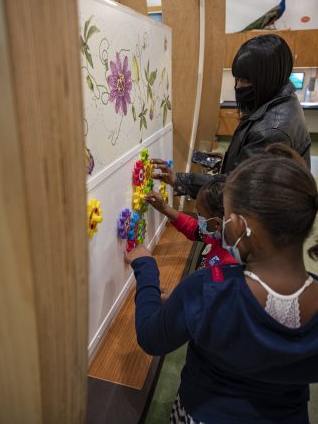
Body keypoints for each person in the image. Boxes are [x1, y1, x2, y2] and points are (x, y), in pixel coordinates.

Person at [125, 151, 318, 423]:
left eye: (224, 216)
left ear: (239, 225)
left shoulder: (209, 288)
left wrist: (147, 269)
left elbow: (151, 337)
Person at [153, 34, 311, 198]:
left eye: (245, 81)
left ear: (266, 79)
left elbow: (236, 186)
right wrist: (229, 161)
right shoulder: (285, 98)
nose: (238, 87)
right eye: (237, 80)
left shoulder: (271, 131)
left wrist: (179, 180)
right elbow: (259, 165)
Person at [145, 175, 237, 269]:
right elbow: (195, 229)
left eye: (200, 214)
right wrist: (164, 208)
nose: (198, 218)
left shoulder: (228, 268)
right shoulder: (222, 231)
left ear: (217, 223)